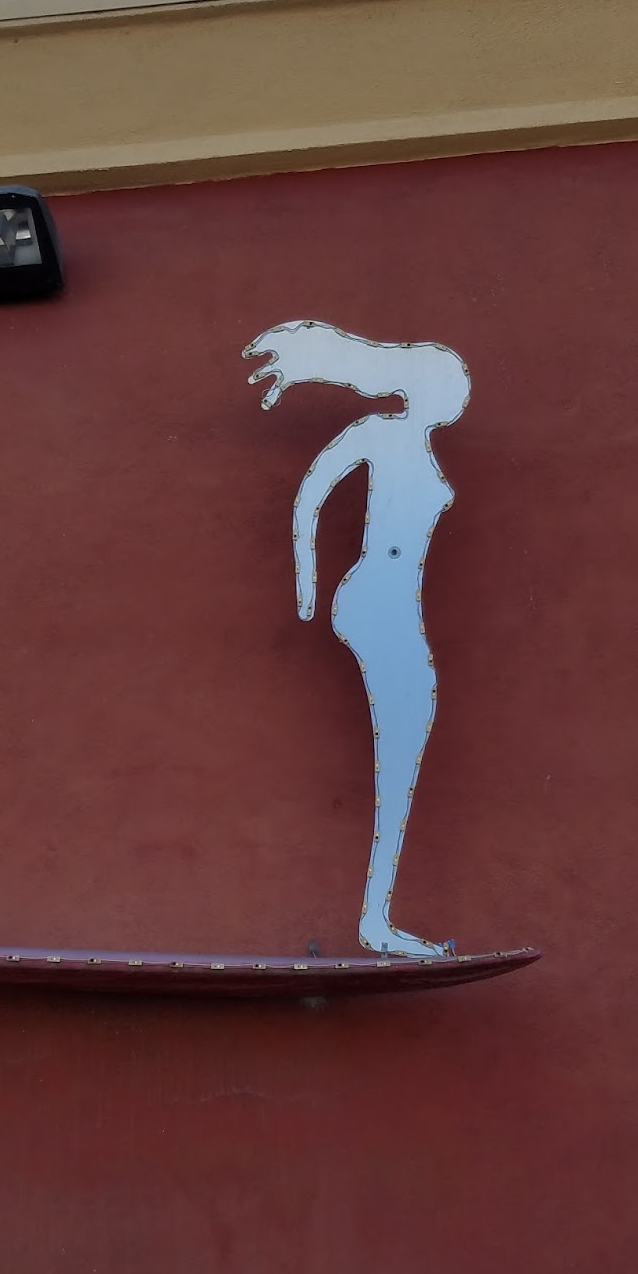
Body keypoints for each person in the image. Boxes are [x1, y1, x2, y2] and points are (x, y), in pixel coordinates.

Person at [242, 320, 472, 959]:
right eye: (451, 388)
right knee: (405, 735)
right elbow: (310, 496)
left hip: (395, 606)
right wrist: (307, 587)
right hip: (375, 600)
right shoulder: (376, 432)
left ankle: (378, 916)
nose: (456, 401)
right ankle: (376, 920)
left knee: (408, 738)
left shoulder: (415, 444)